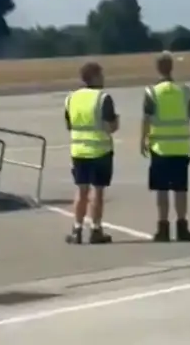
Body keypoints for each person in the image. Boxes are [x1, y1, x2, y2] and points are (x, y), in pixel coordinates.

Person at [140, 51, 190, 242]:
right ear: (172, 67)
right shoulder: (184, 91)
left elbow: (146, 118)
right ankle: (182, 227)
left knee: (162, 190)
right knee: (181, 189)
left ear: (158, 69)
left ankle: (163, 228)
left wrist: (143, 139)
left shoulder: (152, 92)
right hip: (181, 147)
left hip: (160, 147)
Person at [64, 61, 119, 244]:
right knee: (98, 192)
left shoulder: (71, 98)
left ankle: (77, 229)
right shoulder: (103, 98)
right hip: (100, 150)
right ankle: (96, 228)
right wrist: (116, 123)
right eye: (101, 75)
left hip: (79, 151)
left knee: (81, 191)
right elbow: (110, 126)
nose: (103, 78)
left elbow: (69, 125)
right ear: (94, 77)